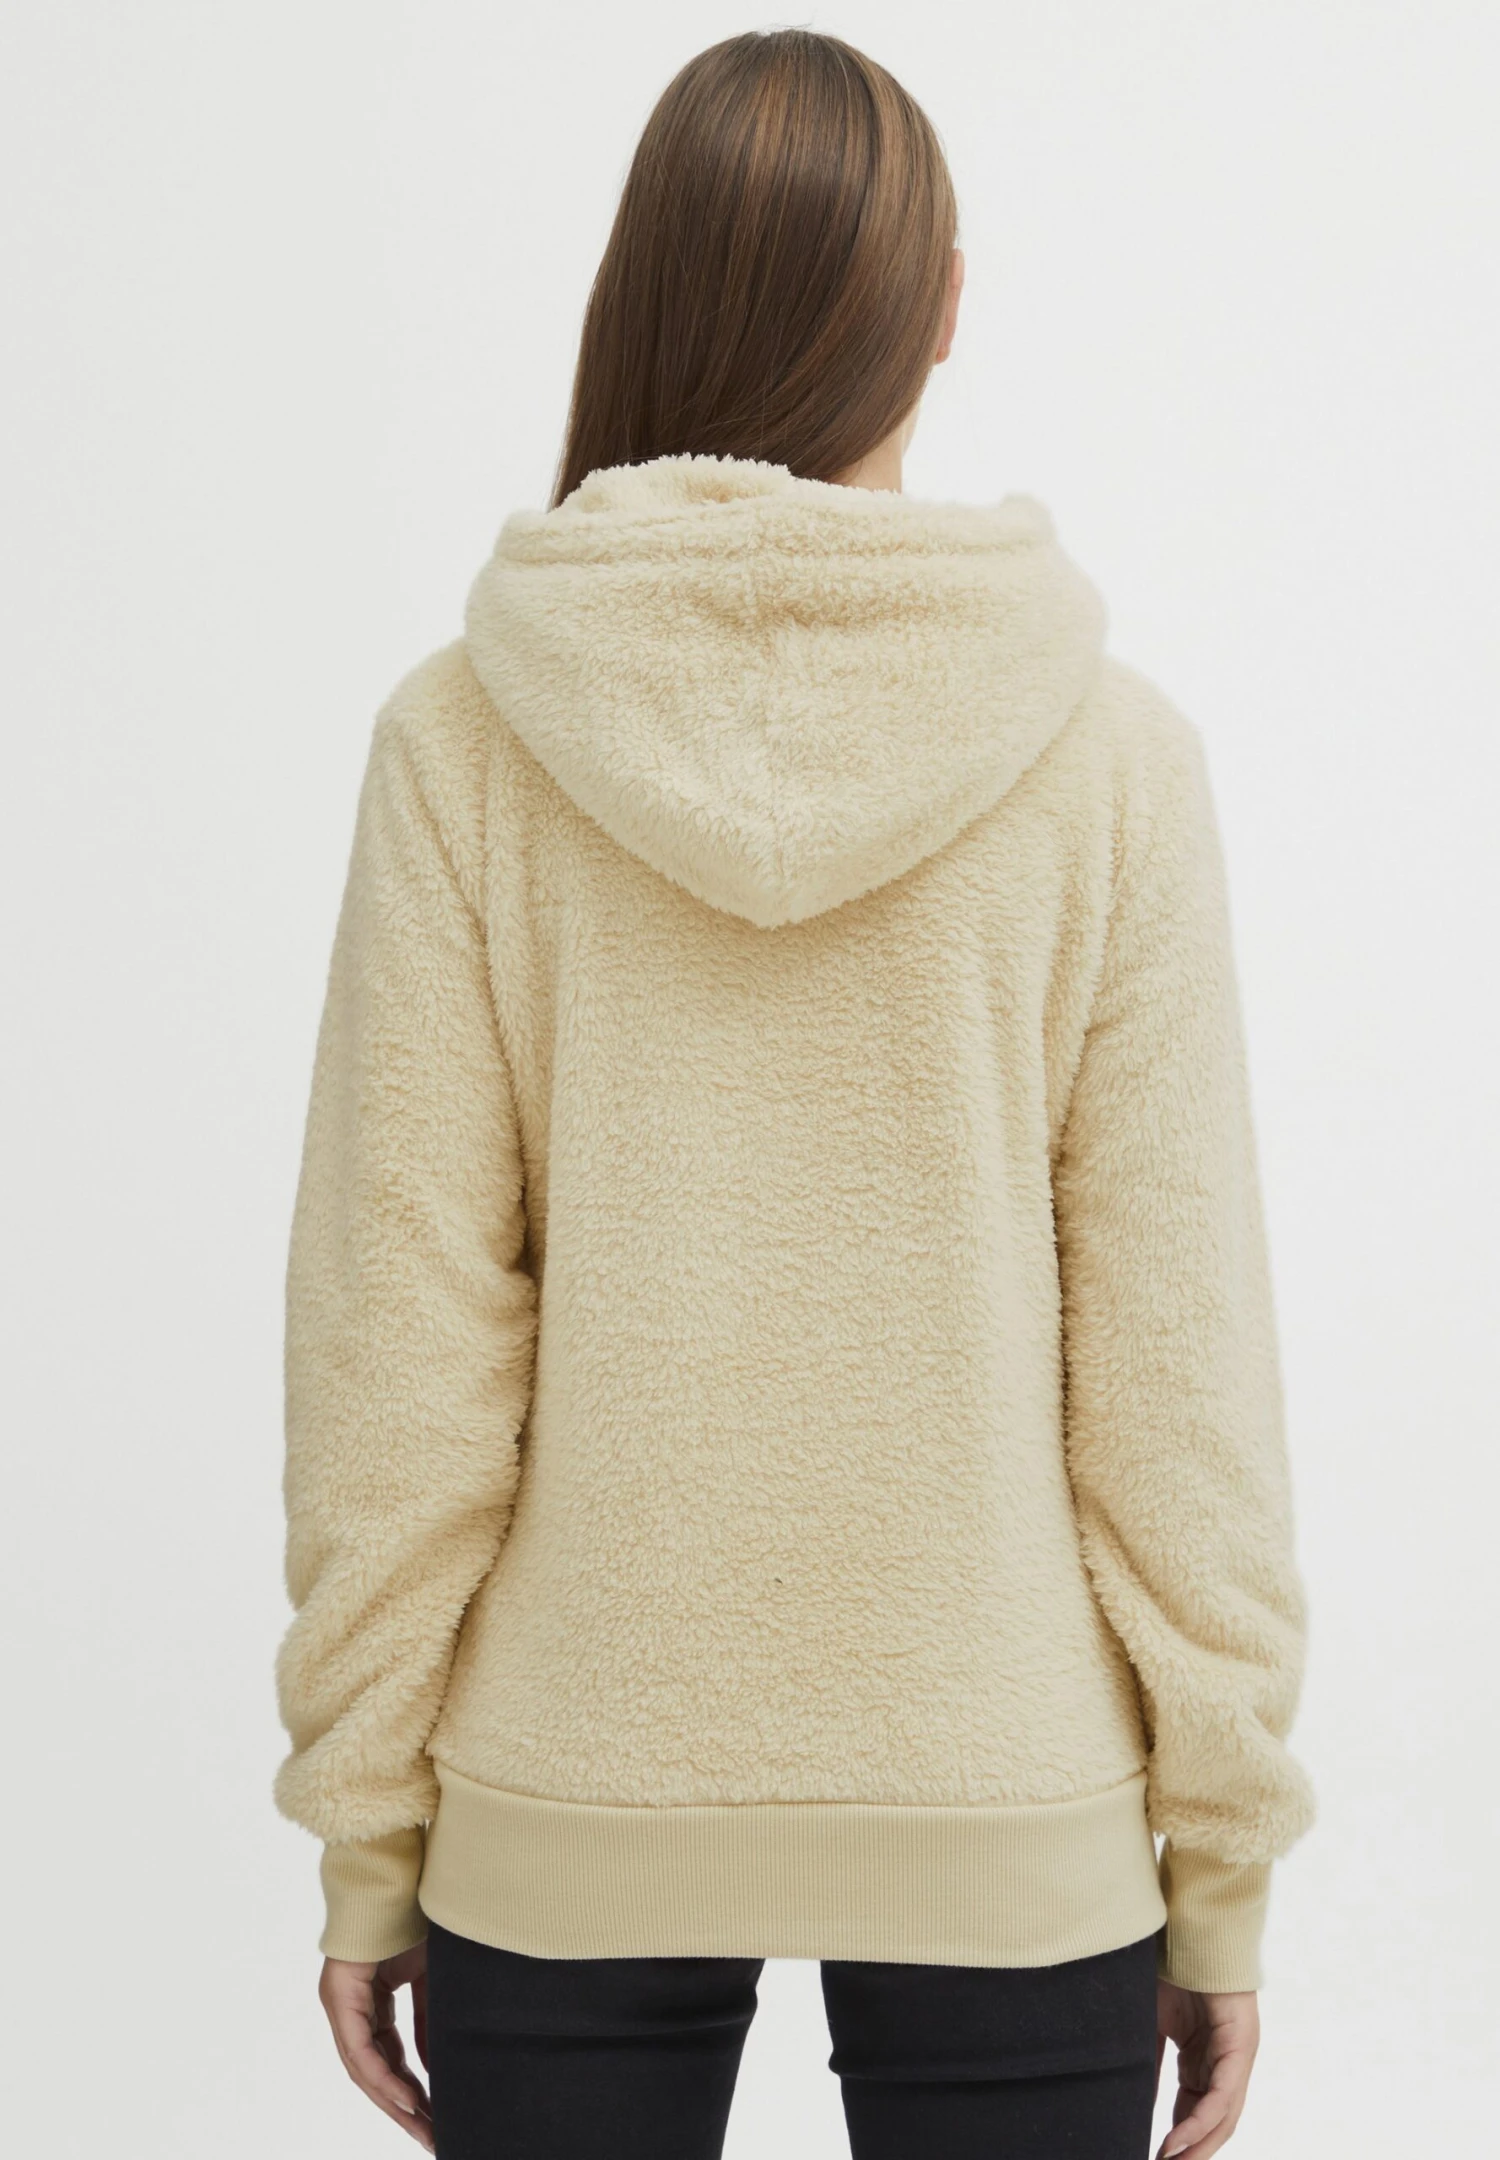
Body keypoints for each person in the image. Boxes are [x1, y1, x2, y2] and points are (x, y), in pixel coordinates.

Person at [272, 27, 1314, 2160]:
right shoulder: (1109, 761)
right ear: (944, 307)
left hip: (567, 1789)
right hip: (1009, 1793)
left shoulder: (464, 743)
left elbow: (401, 1345)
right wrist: (1220, 1861)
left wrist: (371, 1834)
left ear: (641, 299)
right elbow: (1176, 1375)